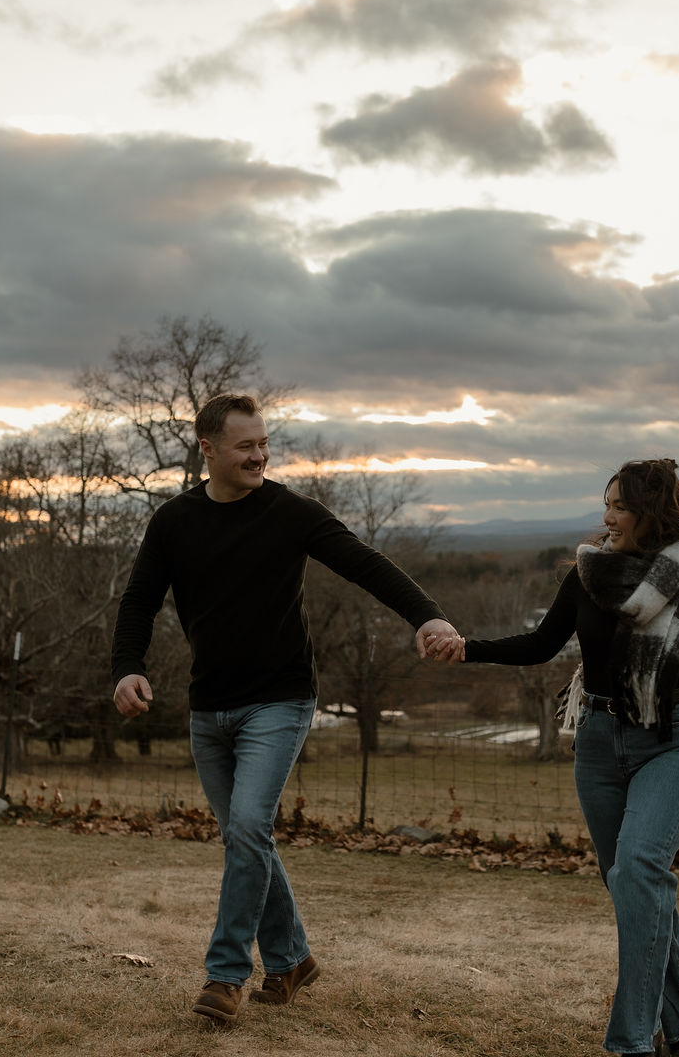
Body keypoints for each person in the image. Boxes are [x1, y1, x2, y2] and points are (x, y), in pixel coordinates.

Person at [424, 458, 679, 1057]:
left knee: (637, 867)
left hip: (675, 738)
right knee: (631, 881)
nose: (606, 517)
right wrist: (467, 646)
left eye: (619, 507)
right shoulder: (588, 573)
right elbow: (540, 645)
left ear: (651, 514)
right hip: (600, 741)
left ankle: (639, 1040)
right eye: (605, 504)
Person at [112, 393, 458, 1024]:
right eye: (245, 445)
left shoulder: (289, 512)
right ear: (208, 450)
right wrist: (127, 668)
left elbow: (365, 564)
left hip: (279, 698)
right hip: (208, 705)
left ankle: (224, 976)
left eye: (264, 442)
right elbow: (139, 601)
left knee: (247, 828)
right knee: (247, 837)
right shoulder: (173, 522)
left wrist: (427, 614)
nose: (260, 454)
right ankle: (293, 958)